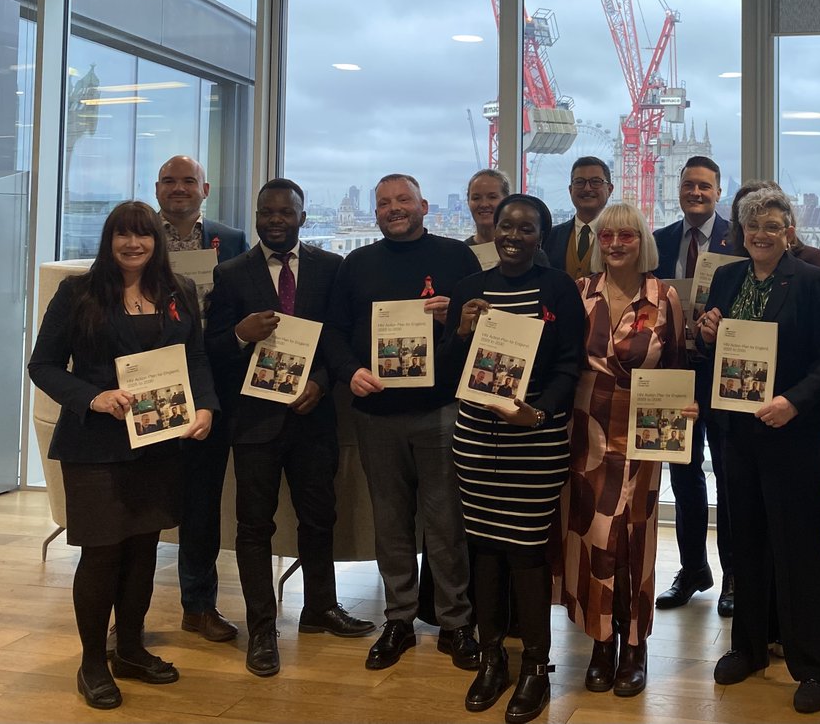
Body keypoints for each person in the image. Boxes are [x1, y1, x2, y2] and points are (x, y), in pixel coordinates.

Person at [28, 200, 217, 710]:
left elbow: (195, 358)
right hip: (95, 445)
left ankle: (130, 648)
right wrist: (93, 397)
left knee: (143, 550)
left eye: (144, 236)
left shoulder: (179, 292)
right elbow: (43, 365)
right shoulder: (79, 293)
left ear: (158, 242)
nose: (134, 244)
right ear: (109, 240)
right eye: (123, 235)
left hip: (160, 441)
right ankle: (92, 662)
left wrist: (206, 408)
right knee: (103, 552)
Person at [205, 178, 375, 676]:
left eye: (286, 211)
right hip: (254, 421)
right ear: (257, 216)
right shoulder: (232, 273)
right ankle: (262, 627)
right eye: (267, 211)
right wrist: (240, 333)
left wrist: (321, 383)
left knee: (320, 518)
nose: (275, 219)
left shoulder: (330, 268)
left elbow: (340, 339)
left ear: (303, 216)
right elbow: (210, 348)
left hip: (312, 416)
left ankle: (320, 608)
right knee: (254, 526)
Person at [323, 173, 482, 672]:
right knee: (389, 522)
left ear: (424, 205)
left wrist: (452, 322)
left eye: (404, 200)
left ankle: (456, 623)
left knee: (445, 521)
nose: (395, 208)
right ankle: (399, 619)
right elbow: (335, 334)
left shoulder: (458, 258)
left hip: (441, 411)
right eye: (385, 203)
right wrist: (350, 373)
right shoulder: (357, 264)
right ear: (375, 213)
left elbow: (479, 336)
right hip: (376, 414)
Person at [697, 187, 820, 714]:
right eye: (752, 225)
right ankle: (749, 648)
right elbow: (719, 349)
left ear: (789, 231)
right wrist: (709, 334)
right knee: (747, 540)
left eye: (773, 225)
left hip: (790, 431)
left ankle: (815, 668)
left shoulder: (811, 279)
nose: (761, 234)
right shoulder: (728, 278)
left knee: (799, 548)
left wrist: (794, 402)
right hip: (736, 430)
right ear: (740, 231)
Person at [446, 193, 584, 723]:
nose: (514, 236)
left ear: (541, 236)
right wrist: (459, 331)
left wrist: (542, 413)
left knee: (526, 552)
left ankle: (535, 666)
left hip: (535, 441)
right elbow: (450, 370)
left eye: (527, 229)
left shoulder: (558, 289)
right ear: (493, 229)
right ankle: (491, 659)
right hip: (476, 440)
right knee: (483, 549)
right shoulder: (470, 290)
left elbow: (571, 364)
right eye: (507, 226)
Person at [556, 201, 693, 699]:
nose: (615, 244)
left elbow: (678, 363)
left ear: (643, 242)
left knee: (634, 538)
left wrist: (687, 407)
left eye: (626, 236)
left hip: (643, 433)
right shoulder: (579, 293)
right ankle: (599, 640)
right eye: (607, 236)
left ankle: (634, 645)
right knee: (592, 533)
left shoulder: (666, 298)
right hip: (586, 432)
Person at [155, 155, 247, 645]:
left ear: (204, 189)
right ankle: (124, 611)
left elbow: (242, 302)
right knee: (138, 499)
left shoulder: (229, 241)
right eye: (169, 181)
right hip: (150, 382)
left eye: (187, 181)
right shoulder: (136, 235)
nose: (179, 189)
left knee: (202, 502)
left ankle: (198, 605)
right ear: (157, 188)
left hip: (211, 382)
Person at [651, 155, 735, 616]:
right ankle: (692, 569)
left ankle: (733, 576)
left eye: (704, 186)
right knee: (682, 473)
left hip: (722, 374)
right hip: (674, 372)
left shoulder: (735, 240)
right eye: (689, 186)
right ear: (678, 190)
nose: (696, 193)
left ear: (718, 192)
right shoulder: (660, 241)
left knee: (726, 473)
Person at [464, 168, 550, 269]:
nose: (484, 204)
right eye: (476, 198)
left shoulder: (529, 251)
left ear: (506, 201)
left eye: (492, 197)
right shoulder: (462, 251)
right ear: (468, 202)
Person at [545, 157, 613, 280]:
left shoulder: (621, 238)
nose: (587, 188)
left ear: (610, 189)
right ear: (570, 190)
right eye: (579, 182)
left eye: (596, 182)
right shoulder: (551, 237)